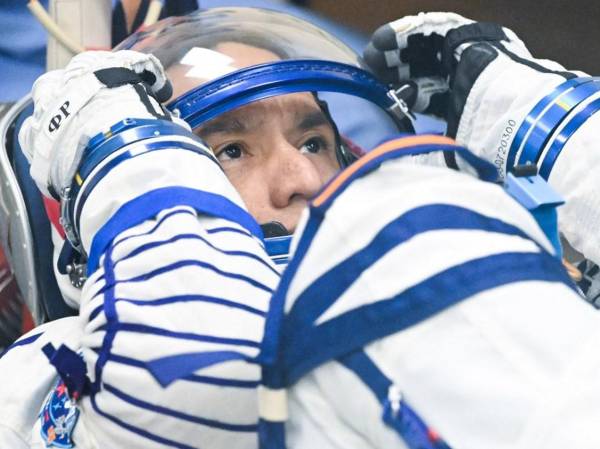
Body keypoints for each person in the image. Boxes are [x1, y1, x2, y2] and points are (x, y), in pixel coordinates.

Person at [0, 8, 598, 449]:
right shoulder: (53, 379)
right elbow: (199, 372)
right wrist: (126, 150)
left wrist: (549, 125)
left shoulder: (483, 310)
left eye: (315, 141)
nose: (304, 179)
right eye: (229, 150)